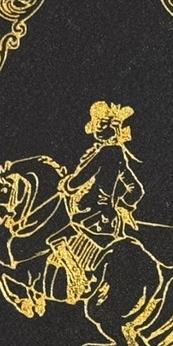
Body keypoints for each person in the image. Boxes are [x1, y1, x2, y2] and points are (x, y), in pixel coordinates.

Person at [59, 100, 144, 243]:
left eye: (102, 123)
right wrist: (123, 207)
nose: (97, 127)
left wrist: (67, 185)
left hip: (89, 213)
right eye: (97, 123)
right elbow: (136, 190)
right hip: (107, 217)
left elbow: (83, 176)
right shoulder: (117, 153)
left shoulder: (107, 152)